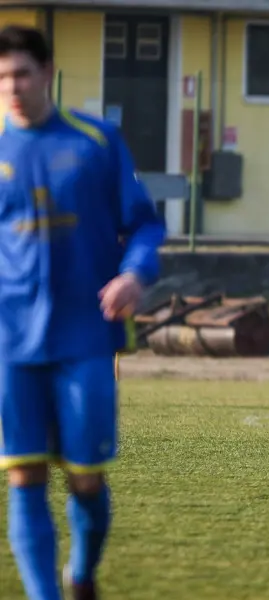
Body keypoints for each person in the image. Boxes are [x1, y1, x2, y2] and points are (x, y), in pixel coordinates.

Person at [0, 25, 165, 600]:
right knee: (24, 473)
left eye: (21, 73)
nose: (12, 87)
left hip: (86, 337)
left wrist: (134, 273)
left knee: (84, 477)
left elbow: (143, 222)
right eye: (1, 78)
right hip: (11, 342)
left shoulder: (96, 142)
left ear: (46, 72)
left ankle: (82, 575)